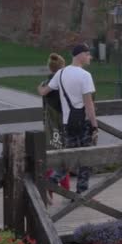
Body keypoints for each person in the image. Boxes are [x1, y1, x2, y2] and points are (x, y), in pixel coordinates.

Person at [38, 44, 98, 194]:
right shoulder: (85, 76)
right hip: (83, 122)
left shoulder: (61, 73)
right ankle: (81, 193)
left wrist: (39, 87)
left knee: (69, 157)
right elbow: (89, 104)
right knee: (86, 159)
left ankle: (52, 180)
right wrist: (95, 126)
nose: (90, 57)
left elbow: (44, 91)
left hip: (67, 123)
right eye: (88, 54)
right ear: (80, 55)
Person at [41, 53, 70, 203]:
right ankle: (66, 192)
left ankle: (49, 193)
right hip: (61, 123)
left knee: (50, 159)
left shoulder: (45, 82)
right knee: (64, 159)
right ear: (62, 67)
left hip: (49, 124)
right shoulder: (63, 82)